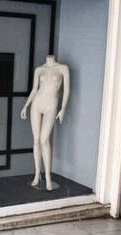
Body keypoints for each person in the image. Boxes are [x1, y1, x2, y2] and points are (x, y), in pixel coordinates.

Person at [21, 55, 70, 191]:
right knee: (36, 140)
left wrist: (63, 108)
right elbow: (34, 90)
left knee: (44, 140)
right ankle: (37, 174)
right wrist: (26, 105)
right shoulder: (39, 69)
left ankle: (48, 176)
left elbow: (66, 89)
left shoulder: (62, 68)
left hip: (51, 105)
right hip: (37, 103)